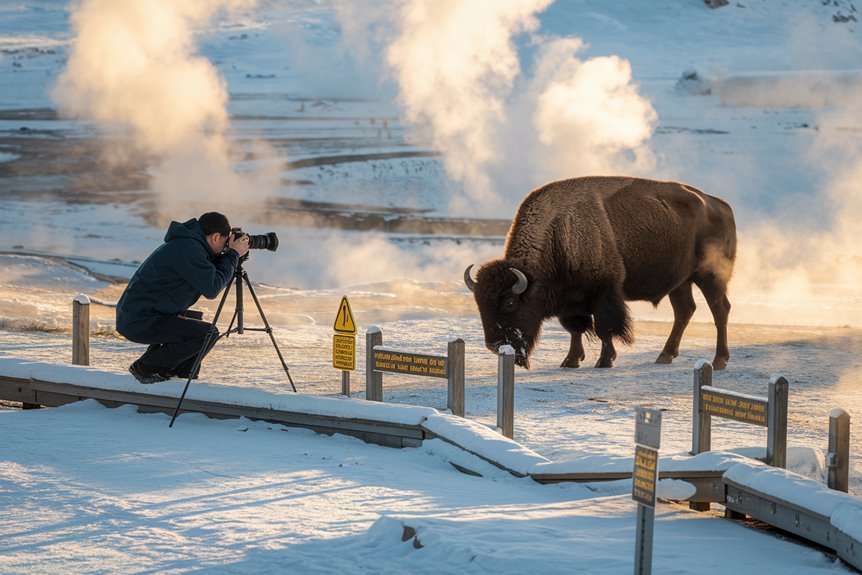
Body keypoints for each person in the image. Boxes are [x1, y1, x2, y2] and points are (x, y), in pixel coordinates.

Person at [116, 212, 250, 384]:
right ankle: (145, 368)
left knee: (194, 321)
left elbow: (211, 276)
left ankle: (181, 376)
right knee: (207, 334)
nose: (225, 248)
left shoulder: (190, 245)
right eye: (225, 243)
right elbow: (212, 288)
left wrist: (232, 257)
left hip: (144, 314)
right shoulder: (189, 249)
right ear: (216, 237)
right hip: (140, 320)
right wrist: (232, 255)